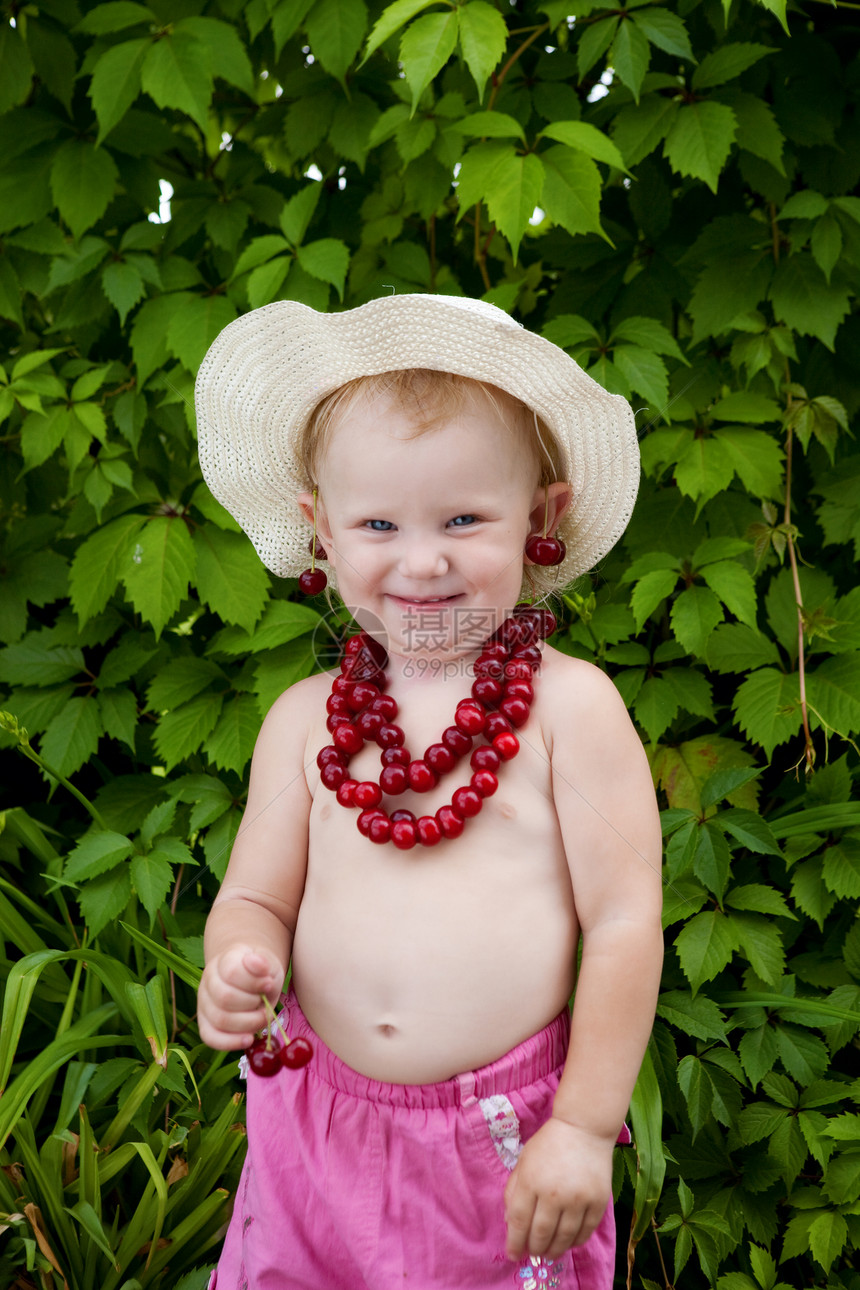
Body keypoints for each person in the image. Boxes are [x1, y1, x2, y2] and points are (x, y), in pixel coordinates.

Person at [194, 294, 663, 1290]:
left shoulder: (568, 712)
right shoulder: (302, 720)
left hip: (498, 1144)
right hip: (311, 1130)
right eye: (377, 522)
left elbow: (624, 920)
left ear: (540, 518)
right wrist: (238, 960)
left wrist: (582, 1125)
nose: (422, 559)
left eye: (462, 518)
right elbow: (256, 897)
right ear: (321, 533)